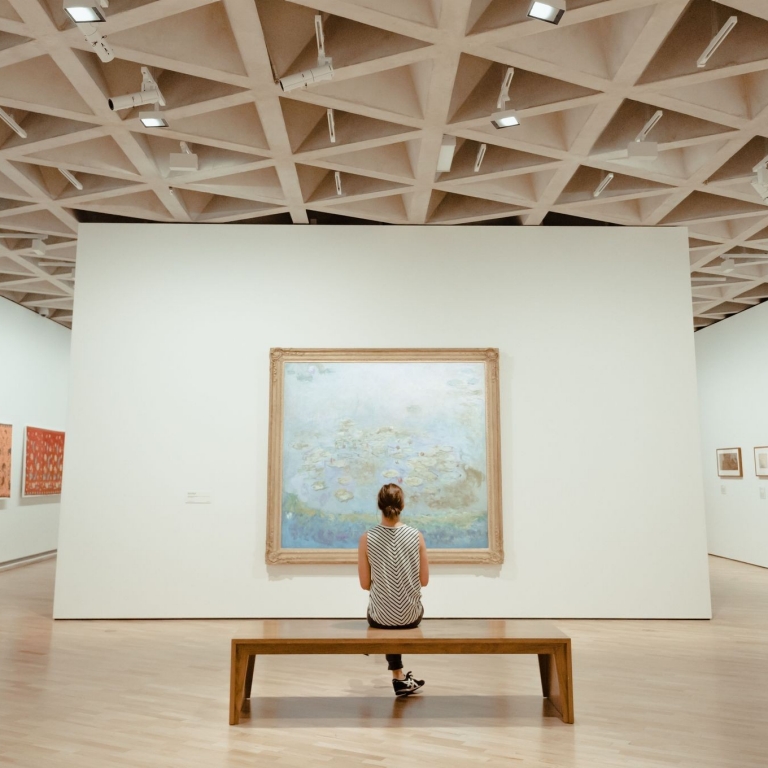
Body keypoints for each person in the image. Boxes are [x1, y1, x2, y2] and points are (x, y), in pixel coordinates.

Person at [358, 483, 430, 697]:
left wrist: (385, 583)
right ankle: (399, 678)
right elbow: (424, 581)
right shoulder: (416, 536)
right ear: (402, 505)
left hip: (379, 617)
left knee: (386, 614)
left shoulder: (367, 538)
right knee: (397, 613)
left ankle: (398, 676)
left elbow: (364, 585)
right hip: (412, 616)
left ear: (379, 506)